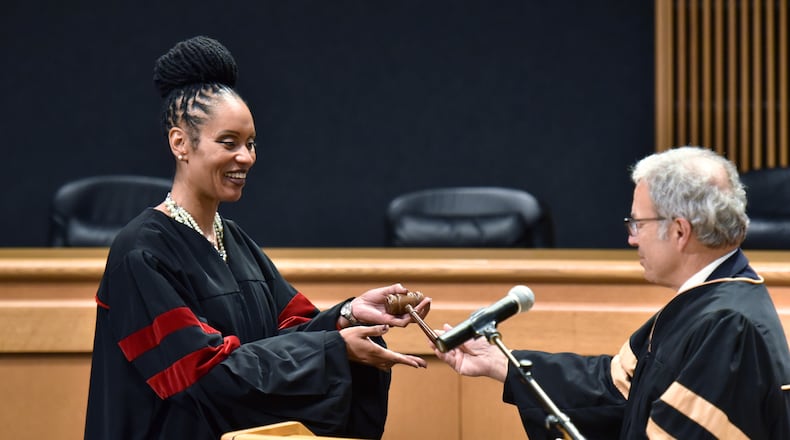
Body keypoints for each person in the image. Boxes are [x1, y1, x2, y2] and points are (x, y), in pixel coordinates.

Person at [84, 35, 430, 440]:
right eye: (228, 143)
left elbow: (283, 335)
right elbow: (203, 376)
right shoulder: (140, 253)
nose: (246, 157)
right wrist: (336, 351)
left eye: (250, 144)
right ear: (180, 143)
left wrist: (346, 315)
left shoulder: (233, 241)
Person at [433, 146, 790, 439]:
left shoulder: (728, 326)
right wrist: (501, 363)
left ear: (680, 231)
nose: (631, 237)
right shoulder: (708, 302)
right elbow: (615, 389)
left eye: (638, 223)